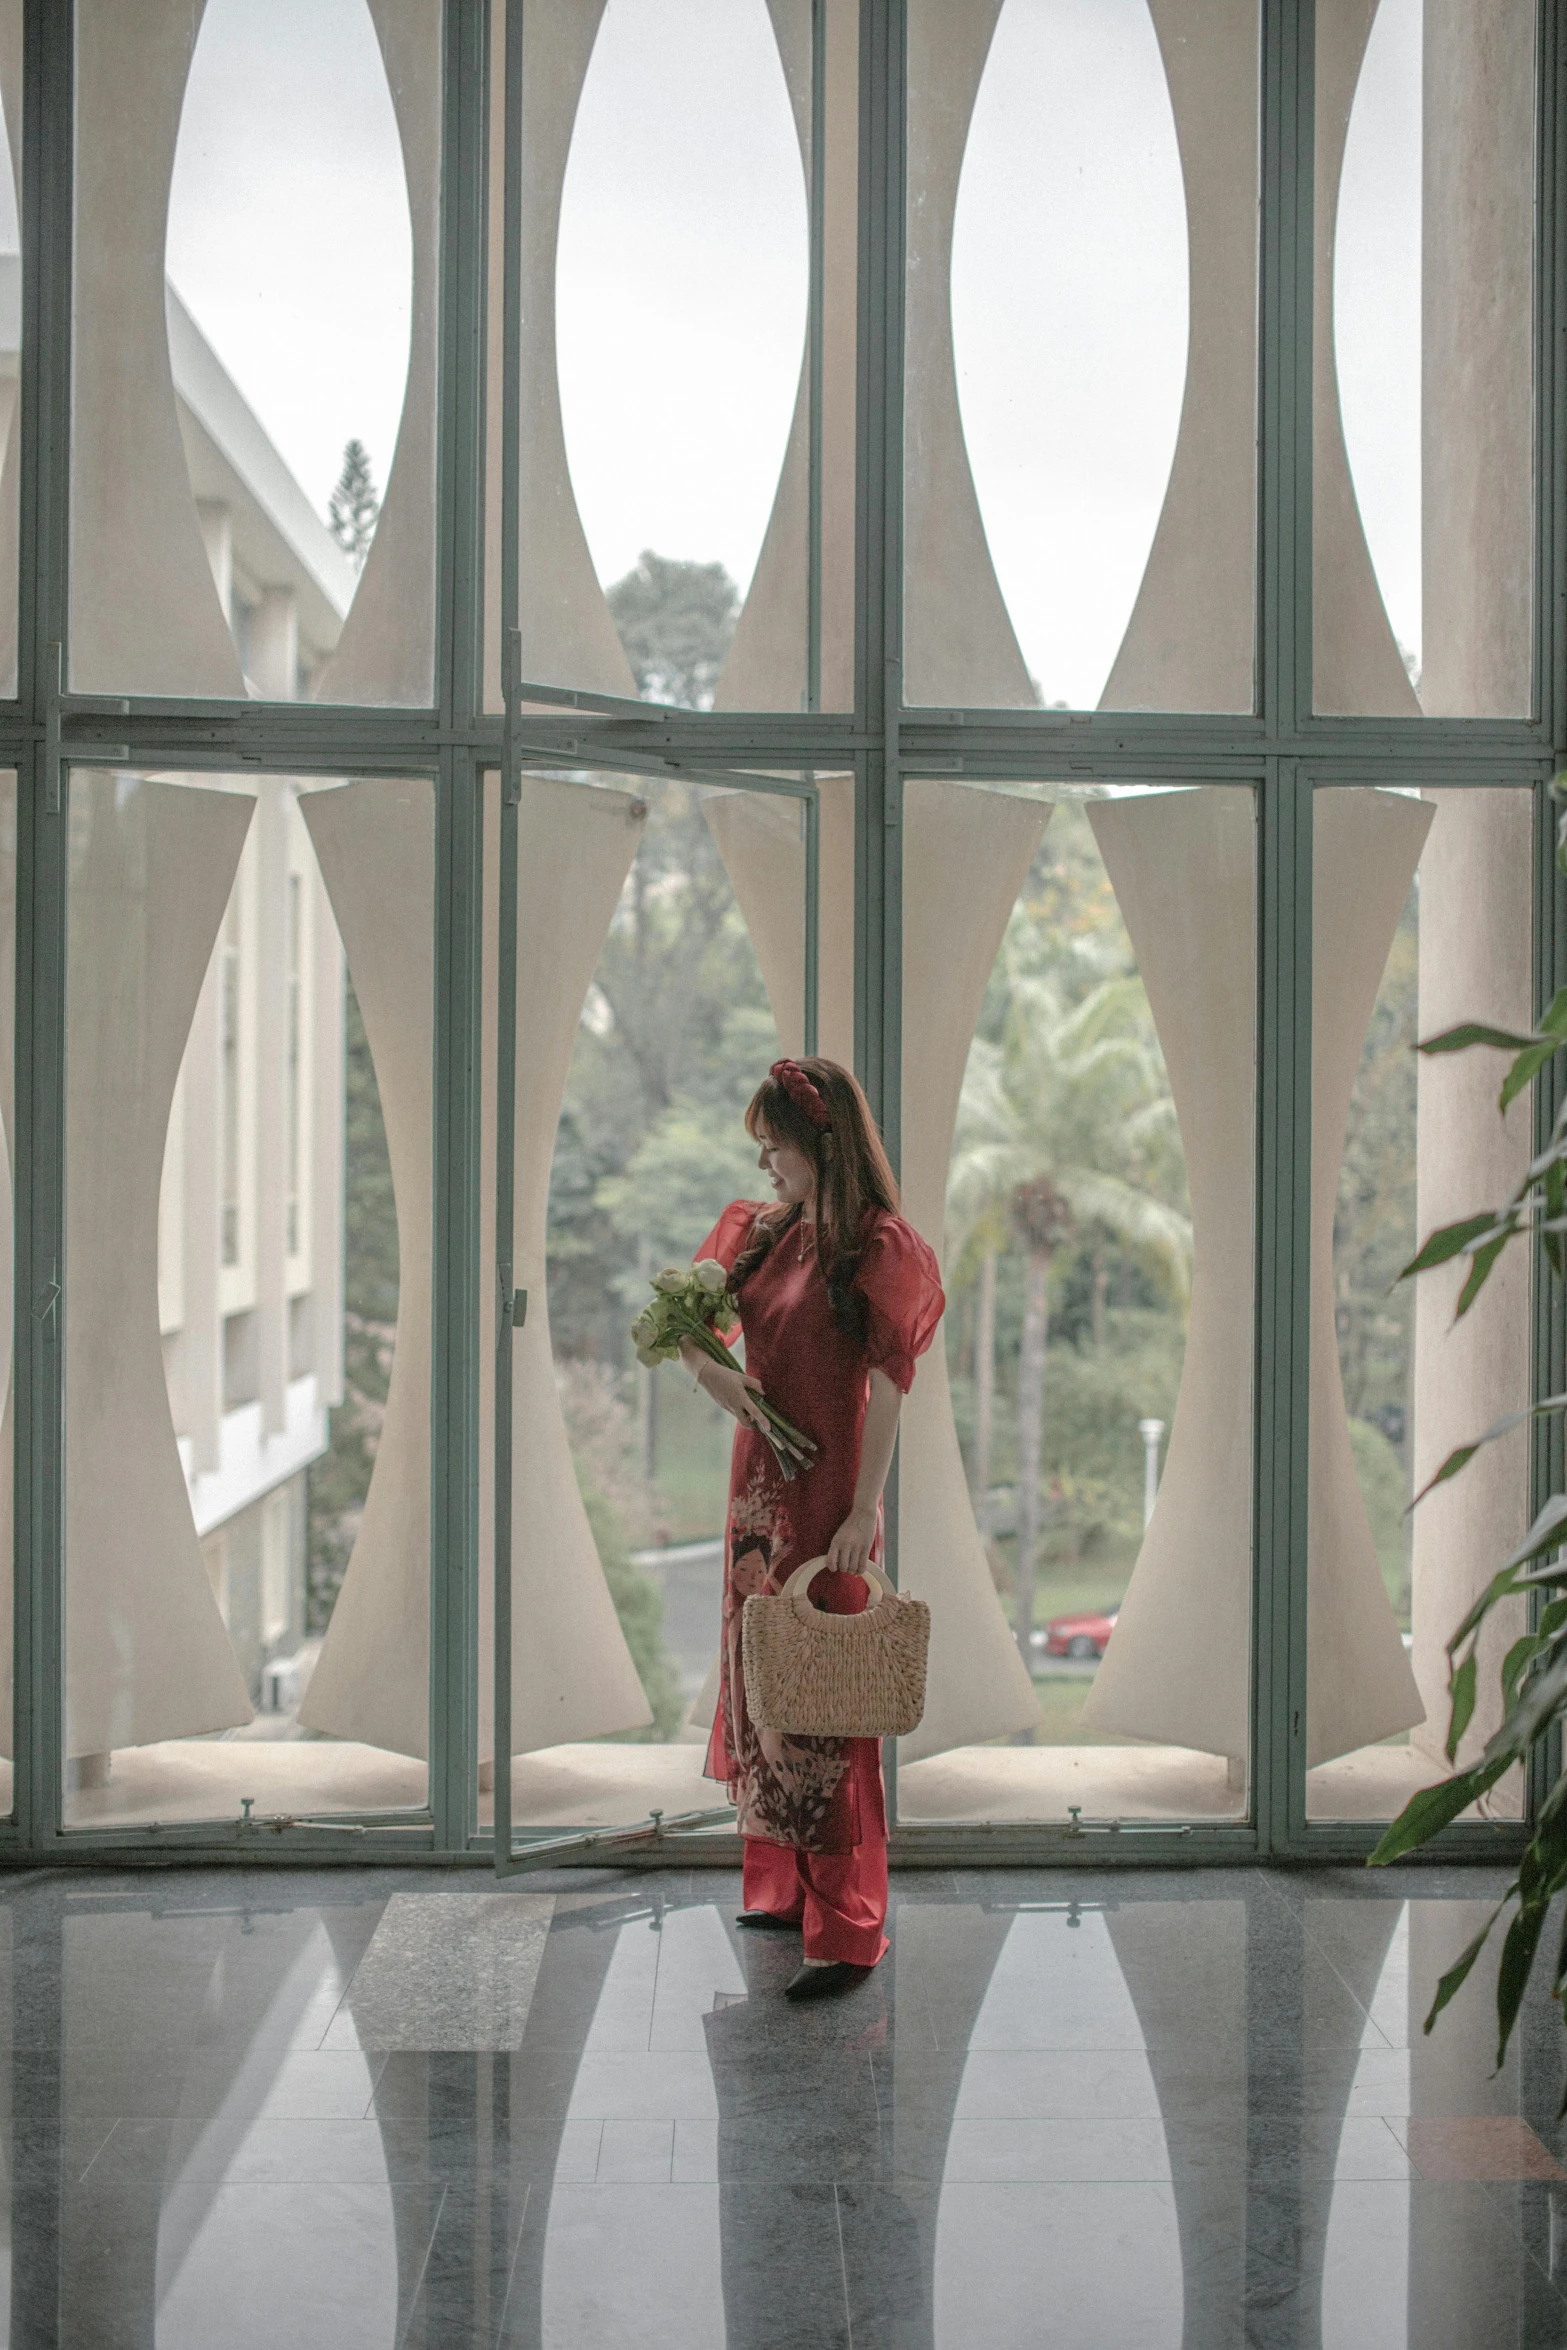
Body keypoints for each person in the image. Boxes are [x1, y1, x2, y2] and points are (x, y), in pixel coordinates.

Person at [684, 1056, 943, 2001]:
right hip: (756, 1494)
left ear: (818, 1145)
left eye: (775, 1148)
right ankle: (781, 1888)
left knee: (831, 1711)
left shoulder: (879, 1247)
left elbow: (888, 1387)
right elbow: (691, 1332)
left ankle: (850, 1929)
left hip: (827, 1492)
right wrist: (724, 1384)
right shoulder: (759, 1233)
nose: (763, 1167)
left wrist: (864, 1507)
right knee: (762, 1682)